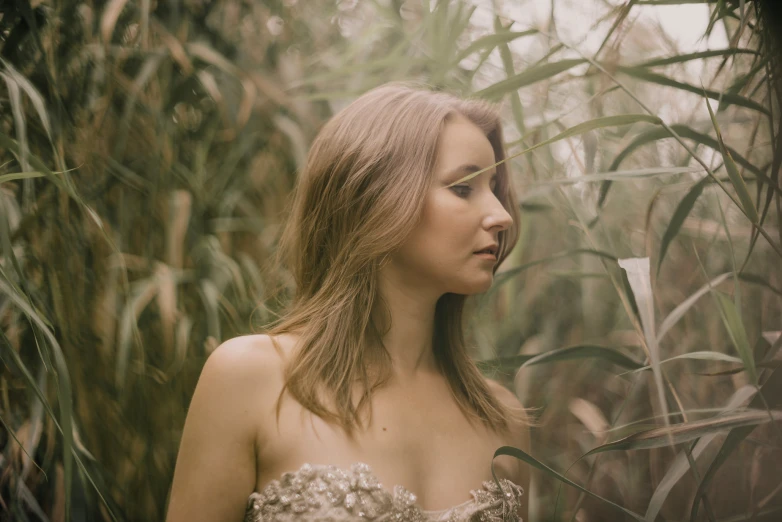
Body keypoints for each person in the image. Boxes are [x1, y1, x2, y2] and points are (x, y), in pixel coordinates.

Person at [165, 82, 531, 522]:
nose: (502, 215)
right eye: (464, 188)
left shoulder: (504, 419)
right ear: (375, 199)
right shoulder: (252, 379)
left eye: (495, 187)